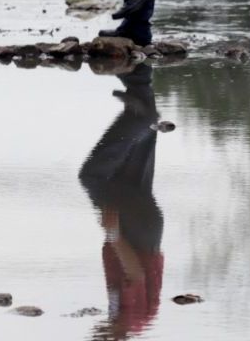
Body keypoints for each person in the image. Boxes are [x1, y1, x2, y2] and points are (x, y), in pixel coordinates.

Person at [79, 64, 164, 339]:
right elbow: (136, 276)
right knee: (92, 177)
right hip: (136, 233)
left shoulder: (130, 322)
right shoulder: (131, 320)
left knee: (132, 166)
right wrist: (114, 235)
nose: (94, 334)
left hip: (144, 229)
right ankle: (139, 117)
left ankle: (139, 84)